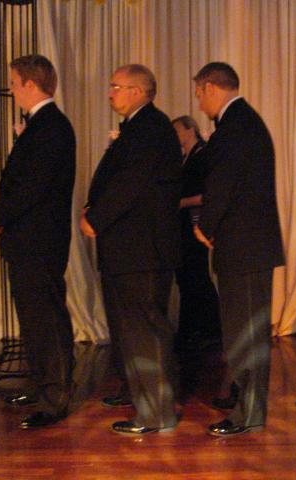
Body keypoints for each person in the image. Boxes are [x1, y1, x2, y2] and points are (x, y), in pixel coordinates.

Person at [80, 64, 182, 436]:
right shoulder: (140, 127)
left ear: (138, 91)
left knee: (145, 329)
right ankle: (144, 399)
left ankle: (156, 413)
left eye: (116, 86)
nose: (110, 93)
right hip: (130, 249)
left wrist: (96, 217)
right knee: (133, 329)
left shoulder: (150, 128)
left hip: (142, 250)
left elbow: (130, 184)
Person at [192, 62, 284, 436]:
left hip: (245, 249)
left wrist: (205, 225)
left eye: (199, 94)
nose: (199, 103)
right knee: (242, 331)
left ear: (212, 87)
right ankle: (245, 401)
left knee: (246, 333)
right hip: (247, 247)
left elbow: (222, 184)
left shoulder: (235, 127)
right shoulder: (242, 122)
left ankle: (249, 412)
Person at [0, 54, 76, 429]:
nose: (11, 89)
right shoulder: (42, 125)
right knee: (35, 319)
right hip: (31, 240)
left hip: (39, 241)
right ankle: (42, 386)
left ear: (30, 85)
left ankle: (54, 398)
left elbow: (32, 186)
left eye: (13, 82)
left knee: (46, 319)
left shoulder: (50, 126)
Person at [171, 115, 221, 354]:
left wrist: (179, 203)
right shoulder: (186, 158)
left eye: (177, 130)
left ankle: (209, 331)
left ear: (190, 130)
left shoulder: (201, 156)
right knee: (188, 277)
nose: (174, 136)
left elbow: (206, 194)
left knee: (196, 276)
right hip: (184, 225)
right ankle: (191, 330)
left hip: (195, 224)